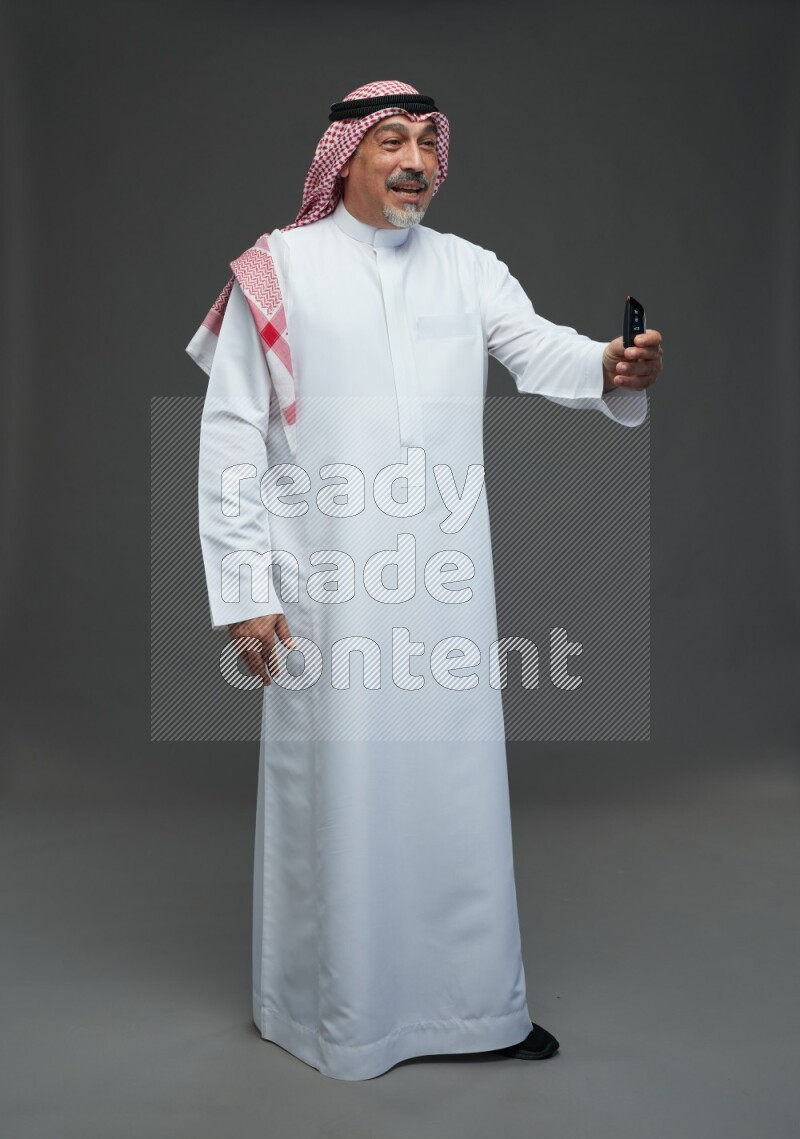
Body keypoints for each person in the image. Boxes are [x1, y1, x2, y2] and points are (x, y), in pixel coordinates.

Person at [186, 79, 663, 1082]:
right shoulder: (278, 270)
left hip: (444, 587)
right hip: (326, 585)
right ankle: (339, 1016)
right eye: (391, 141)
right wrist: (244, 591)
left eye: (427, 144)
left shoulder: (466, 268)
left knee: (452, 789)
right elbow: (229, 438)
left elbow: (539, 353)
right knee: (344, 795)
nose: (414, 161)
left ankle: (475, 1009)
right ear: (345, 157)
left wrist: (610, 368)